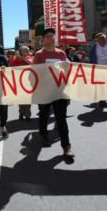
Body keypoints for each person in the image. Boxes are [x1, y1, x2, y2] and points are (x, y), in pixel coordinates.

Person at [33, 28, 74, 158]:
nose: (51, 38)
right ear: (43, 40)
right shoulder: (39, 55)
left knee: (61, 119)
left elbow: (66, 70)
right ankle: (43, 135)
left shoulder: (61, 54)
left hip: (59, 91)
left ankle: (66, 147)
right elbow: (34, 73)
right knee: (44, 115)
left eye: (52, 36)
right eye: (48, 36)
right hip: (45, 91)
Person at [12, 46, 33, 121]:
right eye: (26, 51)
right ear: (21, 52)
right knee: (20, 99)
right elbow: (12, 69)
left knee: (28, 99)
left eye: (28, 50)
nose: (28, 52)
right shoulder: (16, 60)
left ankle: (27, 115)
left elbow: (32, 64)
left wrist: (24, 58)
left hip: (28, 82)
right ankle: (21, 112)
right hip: (19, 82)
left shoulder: (28, 58)